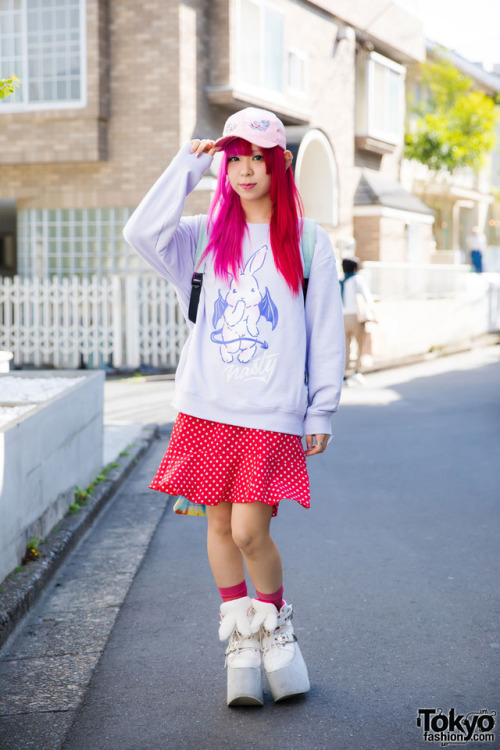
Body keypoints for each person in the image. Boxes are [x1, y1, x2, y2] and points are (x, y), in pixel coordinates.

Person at [123, 107, 345, 707]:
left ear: (280, 162)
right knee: (219, 526)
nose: (244, 170)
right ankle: (240, 642)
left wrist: (320, 407)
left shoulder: (306, 240)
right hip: (207, 403)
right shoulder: (203, 235)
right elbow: (140, 233)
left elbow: (326, 329)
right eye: (233, 157)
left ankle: (275, 627)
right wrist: (186, 167)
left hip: (270, 409)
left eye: (256, 157)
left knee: (250, 530)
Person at [340, 256, 376, 383]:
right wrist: (374, 314)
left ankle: (344, 374)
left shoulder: (340, 281)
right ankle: (356, 371)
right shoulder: (358, 280)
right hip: (356, 316)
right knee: (360, 344)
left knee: (345, 347)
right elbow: (367, 298)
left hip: (342, 318)